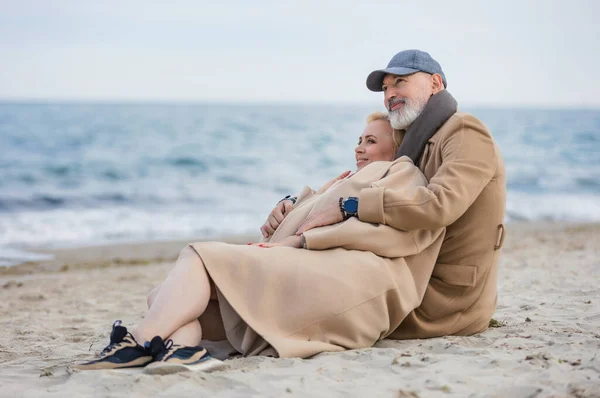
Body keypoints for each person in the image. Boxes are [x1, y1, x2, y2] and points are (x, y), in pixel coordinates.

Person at [74, 112, 446, 373]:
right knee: (165, 296)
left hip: (334, 277)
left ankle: (135, 344)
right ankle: (183, 353)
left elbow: (389, 231)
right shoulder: (345, 178)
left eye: (370, 141)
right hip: (294, 267)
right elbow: (310, 212)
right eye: (358, 140)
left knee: (197, 255)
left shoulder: (401, 172)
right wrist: (288, 207)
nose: (359, 148)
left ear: (395, 148)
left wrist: (300, 242)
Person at [292, 49, 507, 339]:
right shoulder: (413, 139)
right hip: (411, 270)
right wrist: (295, 205)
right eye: (385, 88)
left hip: (446, 297)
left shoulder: (464, 130)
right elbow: (364, 182)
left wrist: (350, 207)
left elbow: (438, 206)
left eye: (400, 82)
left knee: (312, 291)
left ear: (435, 84)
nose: (389, 93)